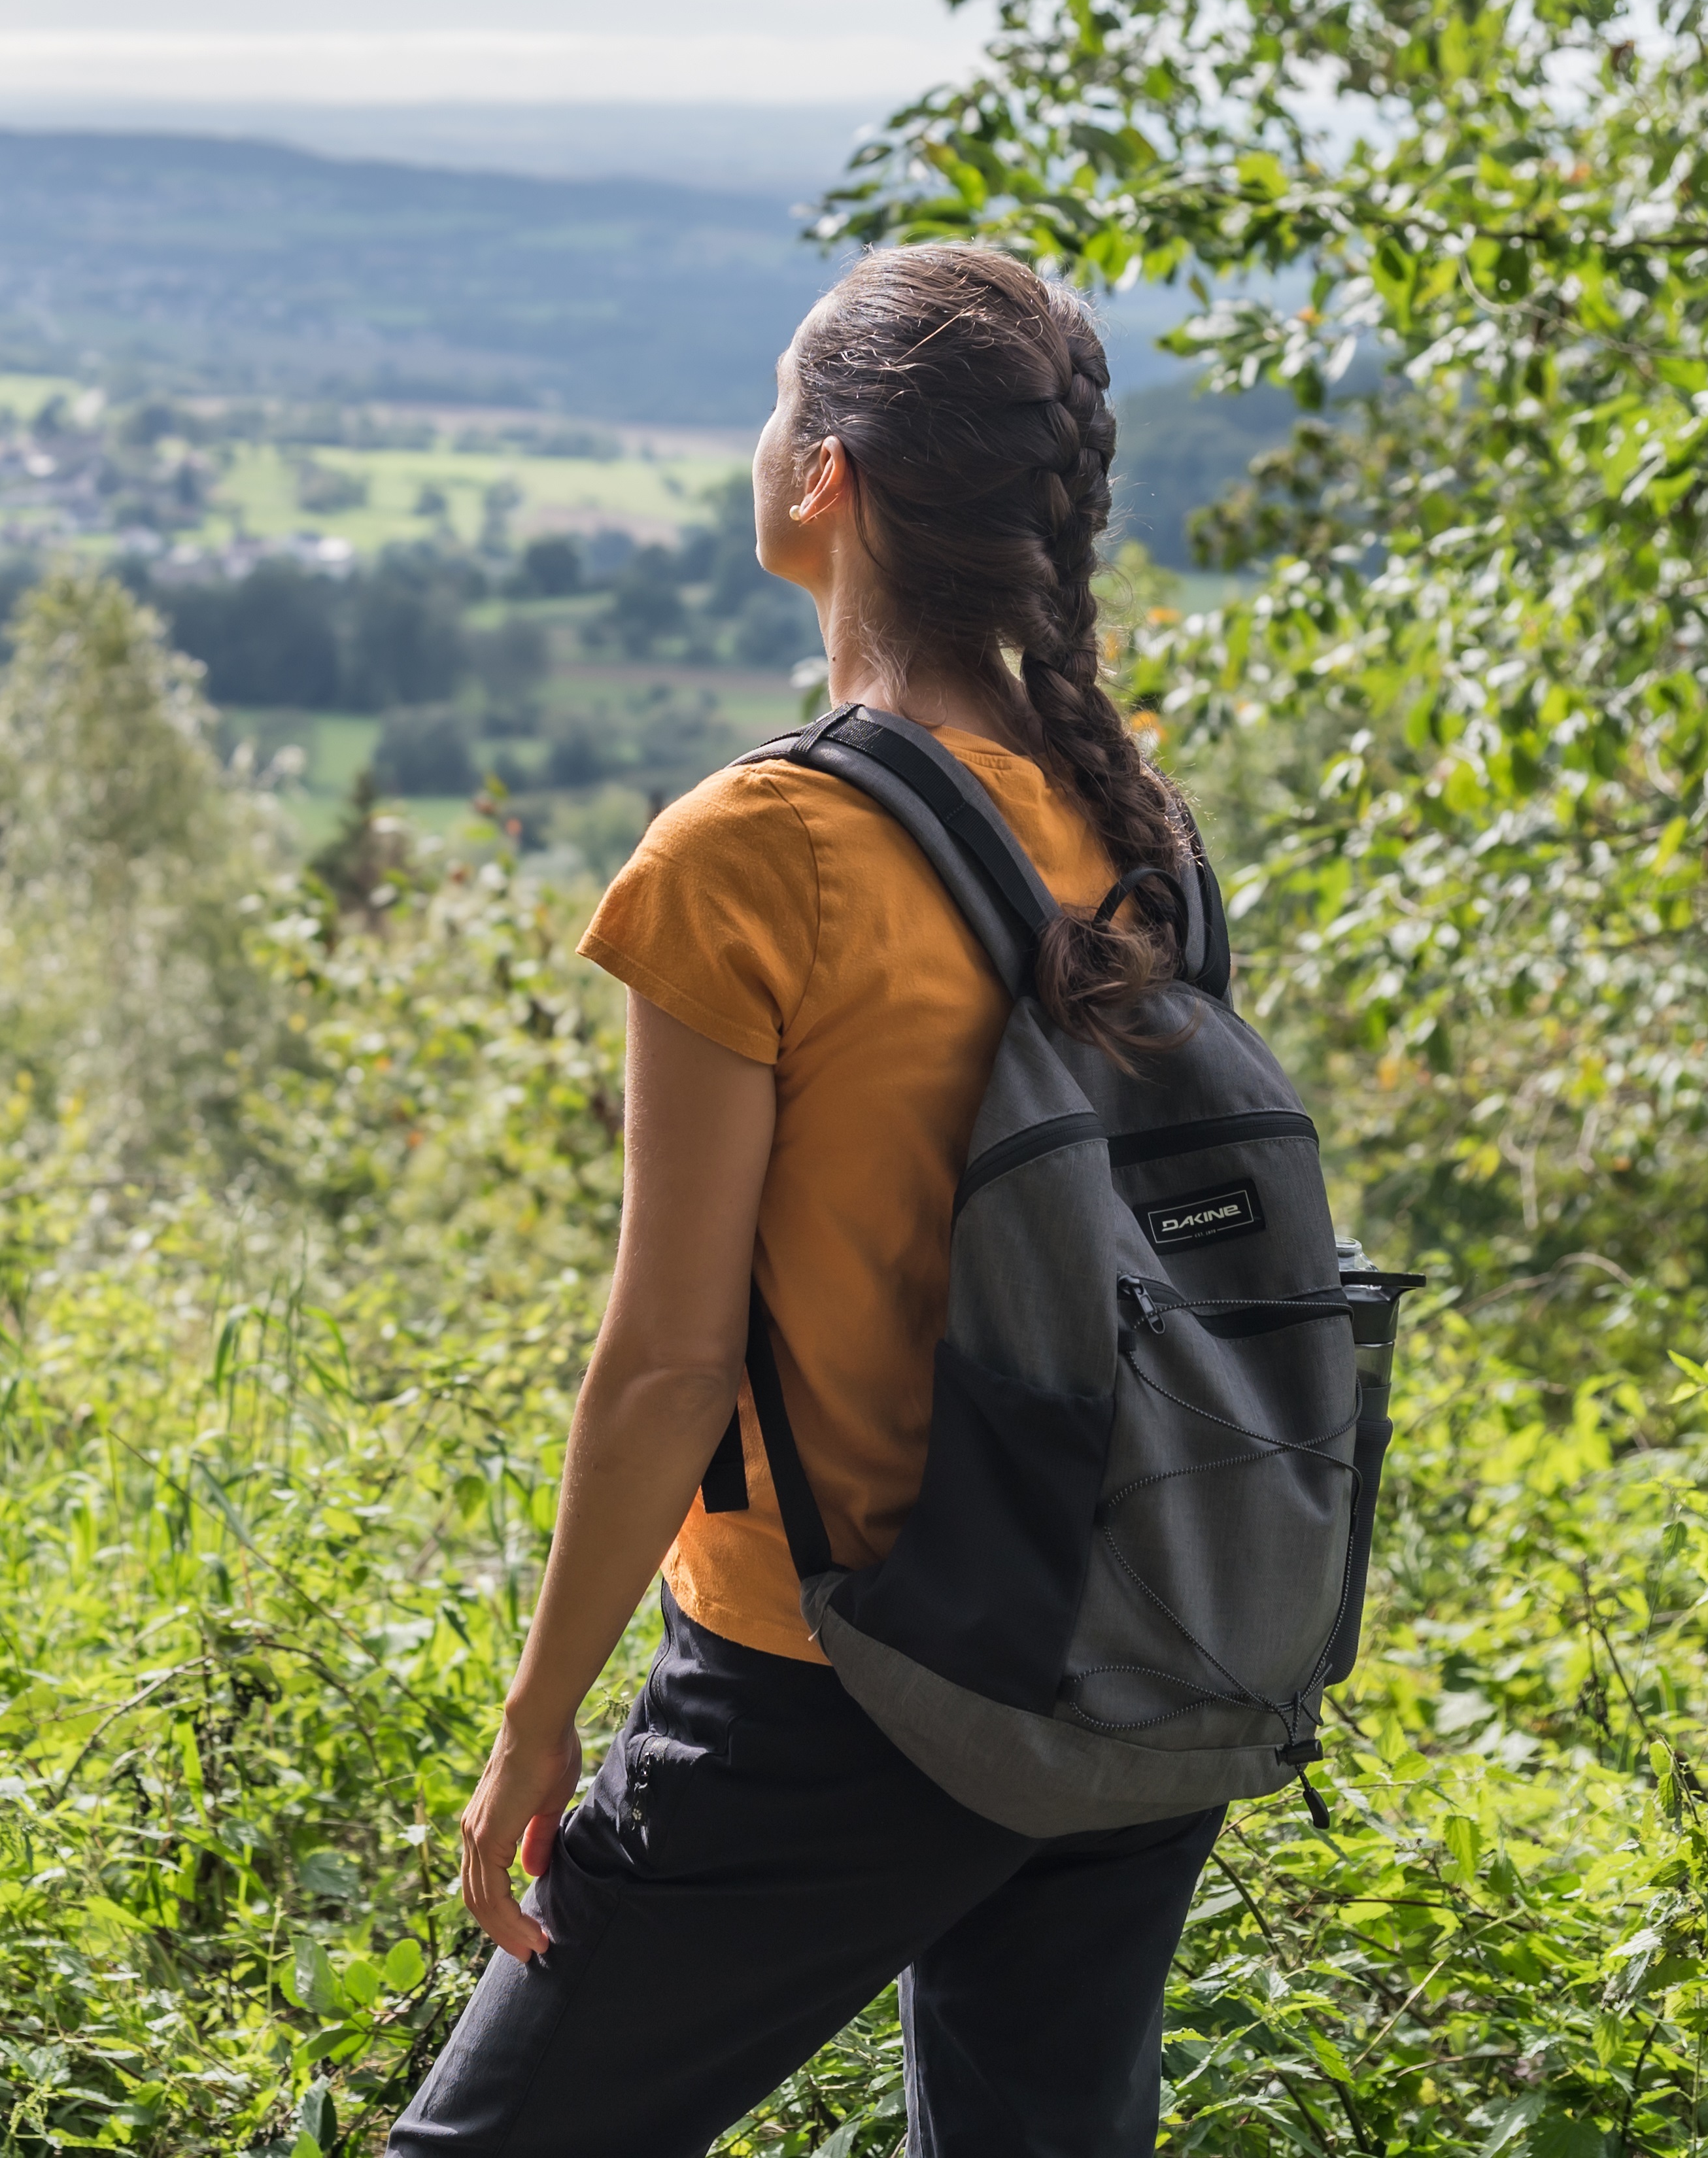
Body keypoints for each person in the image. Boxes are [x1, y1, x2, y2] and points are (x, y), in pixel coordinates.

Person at [394, 245, 1222, 2156]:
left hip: (841, 1672)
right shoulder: (1138, 825)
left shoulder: (760, 848)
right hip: (1133, 1641)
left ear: (827, 475)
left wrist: (540, 1720)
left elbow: (671, 1366)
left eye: (776, 401)